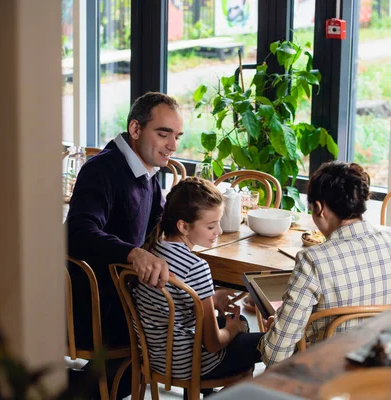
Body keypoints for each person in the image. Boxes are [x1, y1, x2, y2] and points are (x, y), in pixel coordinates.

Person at [65, 92, 183, 398]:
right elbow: (77, 231)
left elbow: (158, 231)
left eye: (177, 136)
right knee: (186, 330)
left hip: (123, 296)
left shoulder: (148, 174)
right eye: (163, 134)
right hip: (92, 305)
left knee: (200, 320)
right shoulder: (102, 169)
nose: (173, 145)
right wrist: (132, 252)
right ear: (135, 129)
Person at [259, 161, 391, 367]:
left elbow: (275, 356)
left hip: (326, 381)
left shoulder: (313, 260)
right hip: (387, 375)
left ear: (319, 208)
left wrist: (274, 332)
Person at [134, 177, 264, 390]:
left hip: (155, 356)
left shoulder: (151, 250)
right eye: (212, 226)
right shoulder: (196, 266)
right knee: (261, 338)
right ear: (184, 226)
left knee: (239, 323)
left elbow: (177, 301)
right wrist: (232, 329)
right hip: (188, 365)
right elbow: (212, 344)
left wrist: (211, 298)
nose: (219, 232)